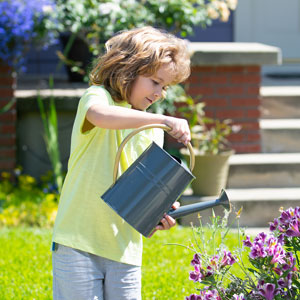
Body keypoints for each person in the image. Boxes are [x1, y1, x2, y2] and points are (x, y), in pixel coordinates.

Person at [52, 26, 191, 300]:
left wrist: (155, 214)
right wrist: (163, 120)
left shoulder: (151, 130)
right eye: (154, 81)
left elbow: (139, 194)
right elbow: (102, 115)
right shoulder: (98, 97)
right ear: (128, 69)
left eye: (165, 86)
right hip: (79, 242)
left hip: (124, 249)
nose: (160, 93)